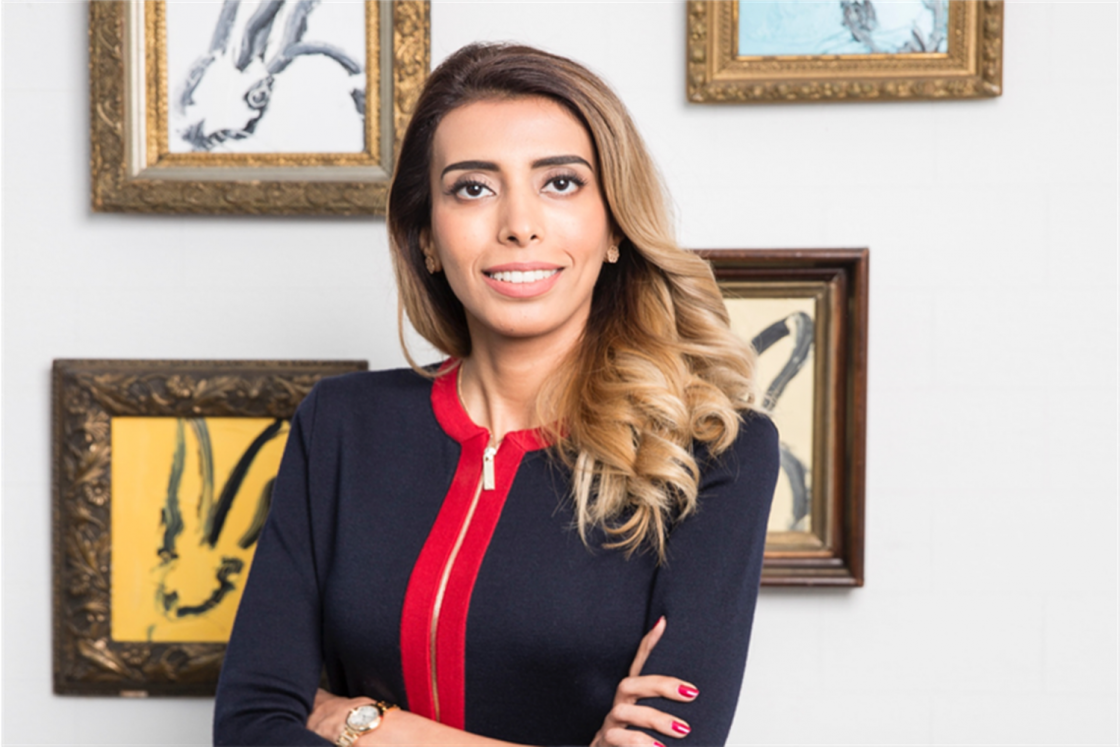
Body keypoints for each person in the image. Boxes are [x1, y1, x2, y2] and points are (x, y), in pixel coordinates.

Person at [213, 42, 779, 747]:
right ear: (426, 237)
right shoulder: (342, 425)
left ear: (613, 226)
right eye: (473, 188)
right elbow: (249, 725)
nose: (519, 224)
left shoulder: (713, 450)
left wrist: (375, 726)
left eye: (561, 183)